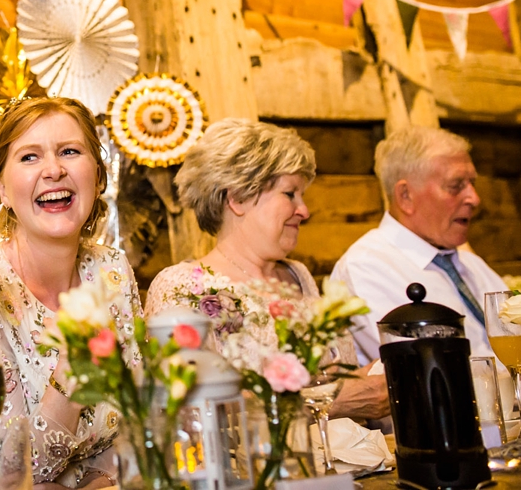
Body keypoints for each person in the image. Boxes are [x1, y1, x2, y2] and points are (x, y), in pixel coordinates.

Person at [0, 97, 139, 490]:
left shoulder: (112, 271)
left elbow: (138, 418)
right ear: (2, 189)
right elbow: (9, 473)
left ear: (97, 175)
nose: (54, 170)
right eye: (29, 157)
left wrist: (101, 477)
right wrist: (73, 373)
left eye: (70, 152)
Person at [145, 118, 389, 421]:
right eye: (290, 194)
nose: (304, 210)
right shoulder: (181, 288)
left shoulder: (298, 275)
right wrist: (329, 402)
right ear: (238, 198)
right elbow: (188, 413)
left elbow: (338, 380)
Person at [331, 126, 521, 373]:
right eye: (456, 185)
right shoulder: (366, 268)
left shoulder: (471, 264)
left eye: (472, 184)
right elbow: (432, 373)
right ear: (405, 196)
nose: (474, 198)